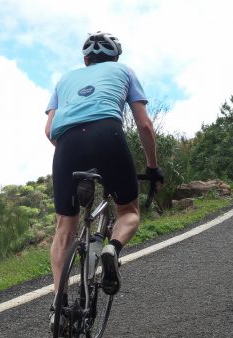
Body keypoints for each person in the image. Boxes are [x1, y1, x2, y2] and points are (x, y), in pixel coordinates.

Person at [45, 31, 164, 321]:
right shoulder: (124, 71)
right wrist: (151, 167)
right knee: (128, 212)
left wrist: (76, 157)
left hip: (67, 143)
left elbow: (49, 131)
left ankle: (58, 306)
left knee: (64, 227)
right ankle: (112, 248)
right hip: (106, 134)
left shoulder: (64, 80)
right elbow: (145, 126)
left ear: (86, 60)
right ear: (115, 57)